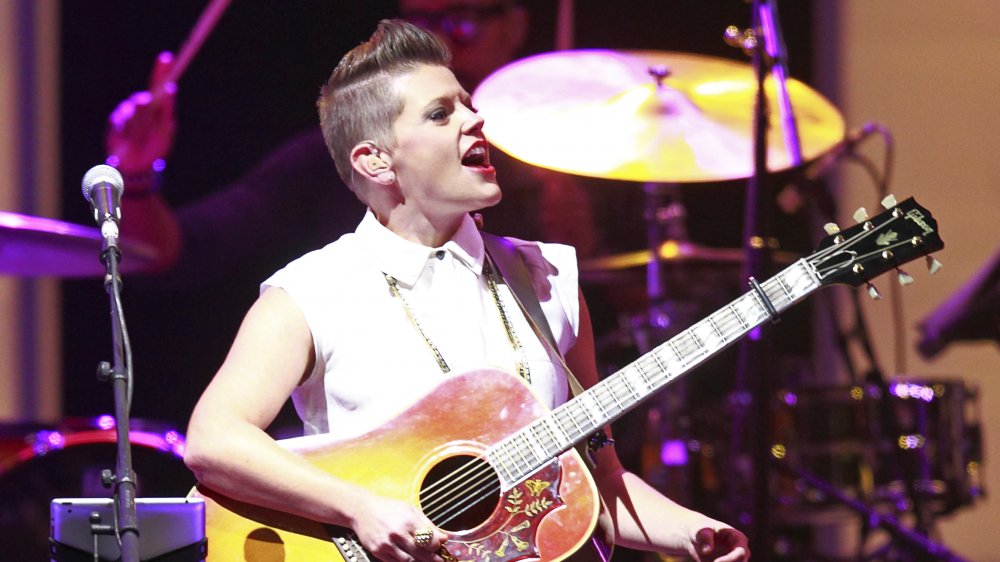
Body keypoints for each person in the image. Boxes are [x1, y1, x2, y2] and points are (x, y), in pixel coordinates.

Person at [182, 19, 749, 562]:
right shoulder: (310, 292)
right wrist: (359, 509)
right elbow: (214, 440)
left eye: (469, 105)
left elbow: (600, 483)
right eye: (440, 113)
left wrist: (693, 530)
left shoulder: (547, 281)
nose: (475, 121)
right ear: (376, 160)